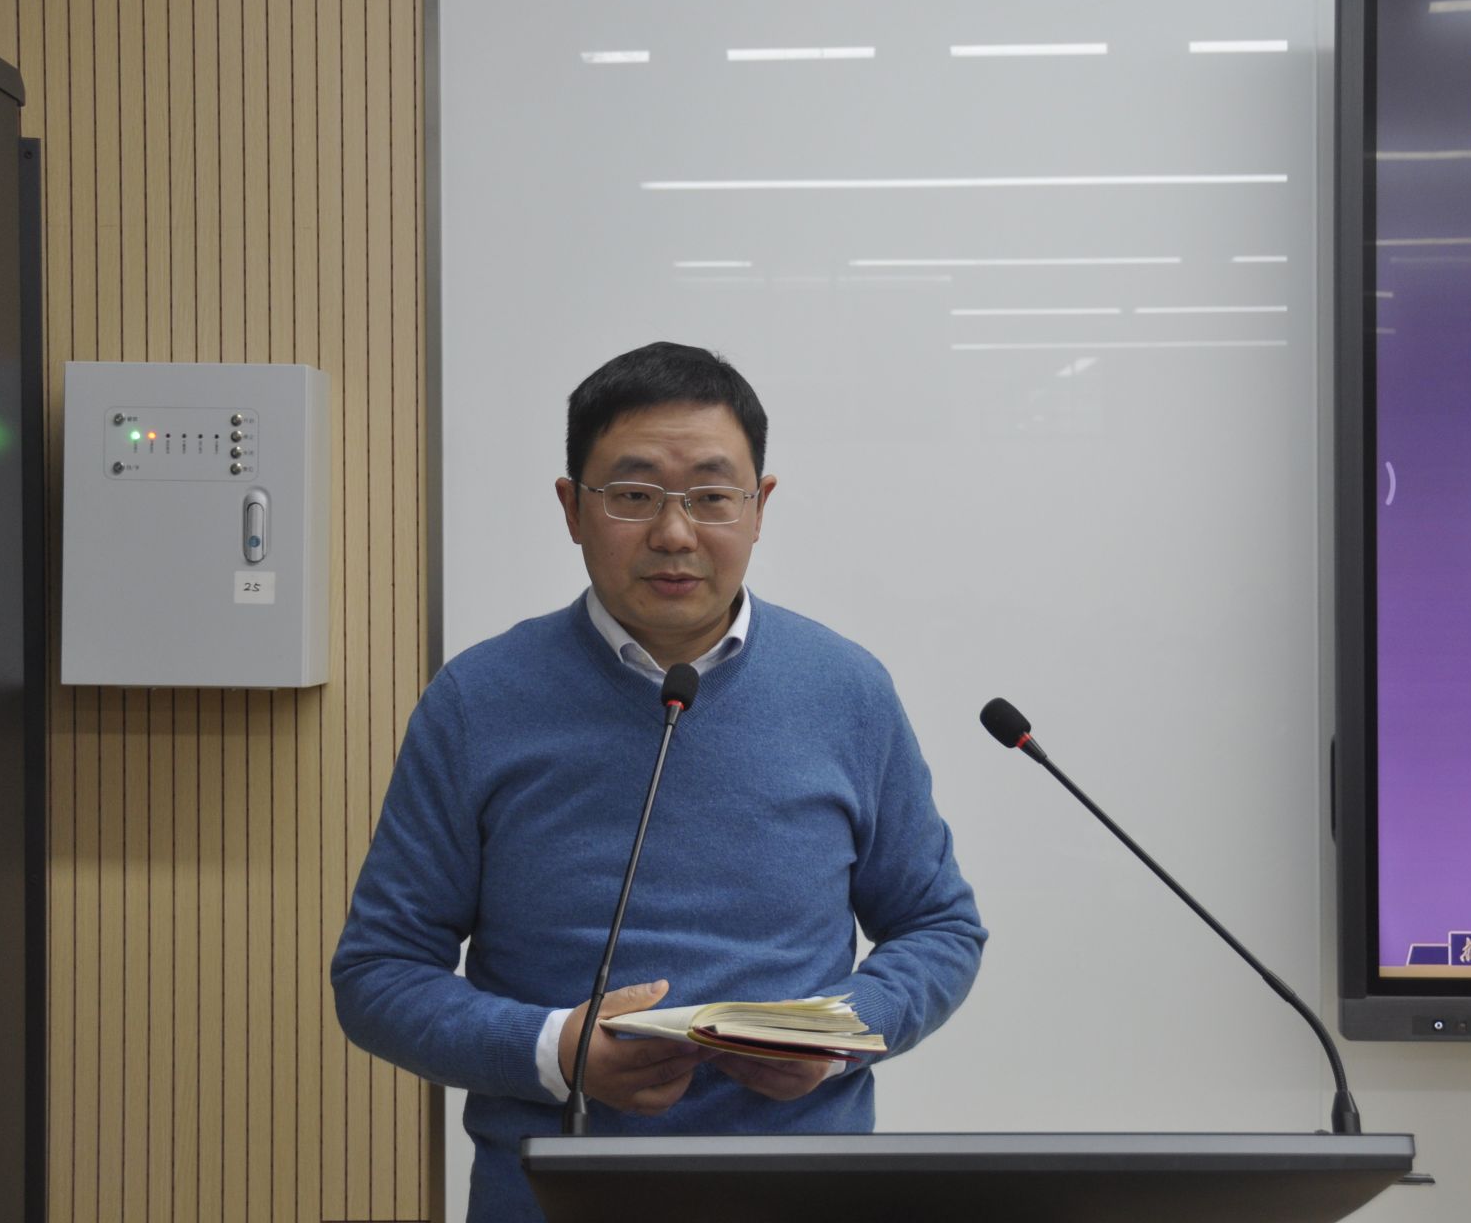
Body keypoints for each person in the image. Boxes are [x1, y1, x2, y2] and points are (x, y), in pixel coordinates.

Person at [332, 342, 986, 1223]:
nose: (675, 535)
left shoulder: (846, 691)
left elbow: (940, 926)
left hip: (804, 1192)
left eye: (712, 497)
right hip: (555, 1197)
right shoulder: (478, 701)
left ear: (759, 508)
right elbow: (378, 975)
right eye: (634, 496)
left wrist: (842, 1031)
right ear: (572, 508)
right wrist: (554, 1049)